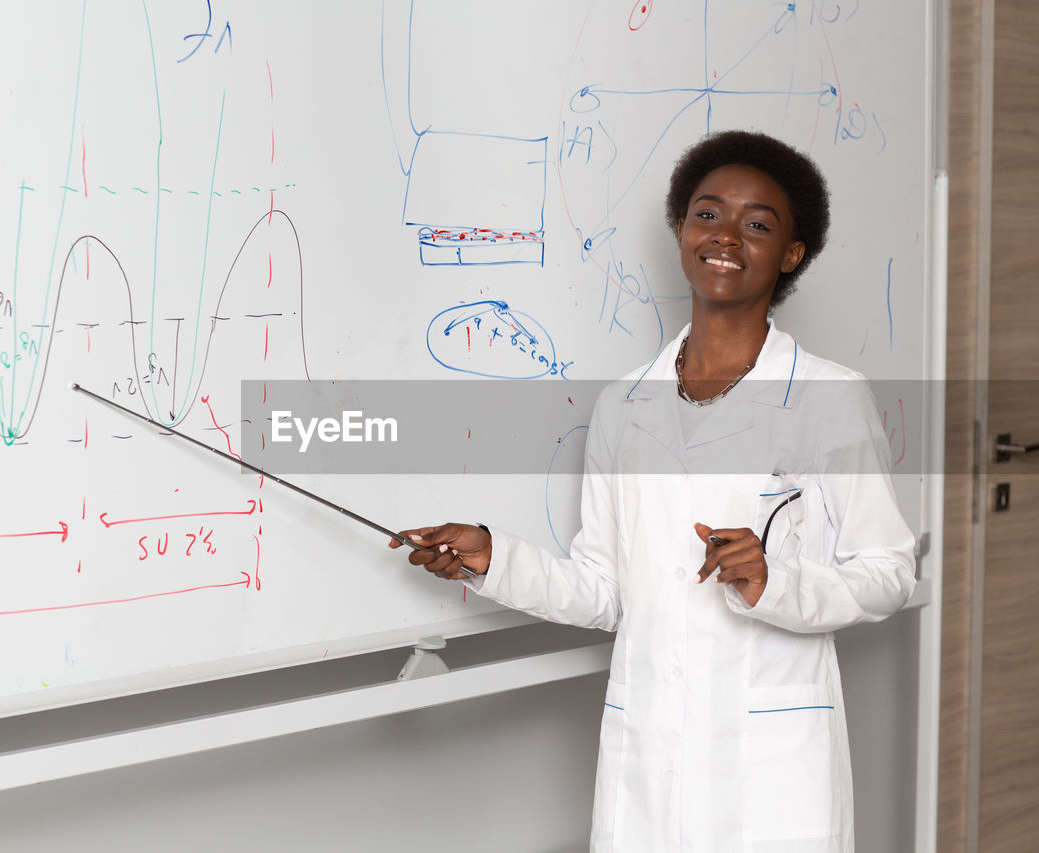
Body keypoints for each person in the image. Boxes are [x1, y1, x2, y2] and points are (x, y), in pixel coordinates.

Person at [390, 130, 916, 852]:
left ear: (791, 254)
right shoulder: (623, 405)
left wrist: (777, 580)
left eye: (758, 223)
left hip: (771, 761)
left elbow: (889, 571)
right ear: (680, 229)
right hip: (651, 755)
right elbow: (606, 590)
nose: (726, 235)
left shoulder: (830, 397)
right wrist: (493, 558)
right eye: (707, 214)